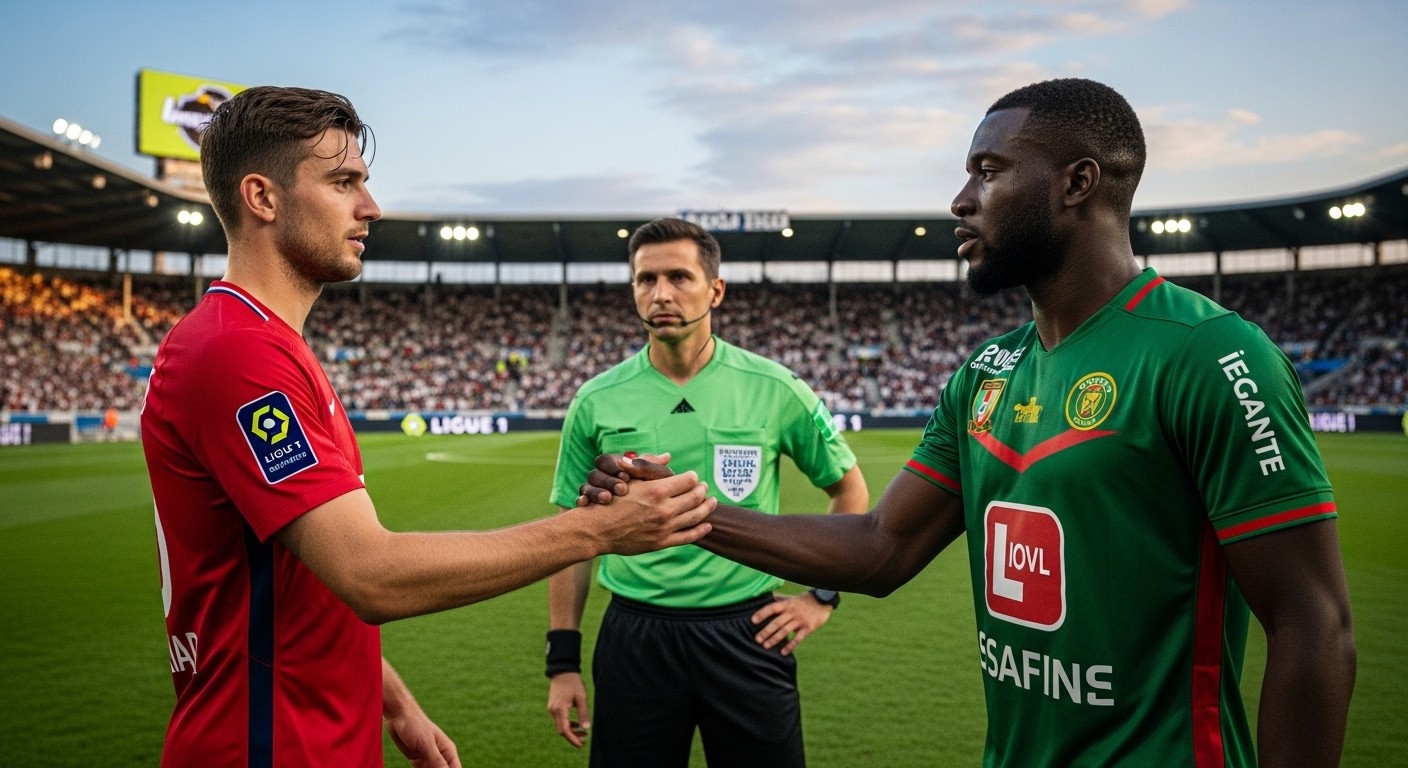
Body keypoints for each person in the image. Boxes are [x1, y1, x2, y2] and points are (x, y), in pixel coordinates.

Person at [578, 79, 1356, 767]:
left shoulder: (1209, 356)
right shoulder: (986, 373)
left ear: (1077, 183)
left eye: (988, 173)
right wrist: (683, 512)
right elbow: (883, 546)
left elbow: (1313, 623)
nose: (960, 200)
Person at [139, 86, 714, 768]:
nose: (371, 207)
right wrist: (598, 530)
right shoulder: (237, 353)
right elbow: (366, 573)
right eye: (343, 182)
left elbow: (309, 571)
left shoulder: (272, 347)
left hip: (315, 732)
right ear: (262, 198)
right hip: (265, 742)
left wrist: (395, 704)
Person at [545, 217, 868, 766]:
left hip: (748, 633)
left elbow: (850, 493)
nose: (661, 293)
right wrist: (563, 661)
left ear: (715, 289)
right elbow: (569, 536)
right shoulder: (596, 399)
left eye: (679, 277)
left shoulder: (775, 388)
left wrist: (820, 597)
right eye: (646, 280)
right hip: (635, 634)